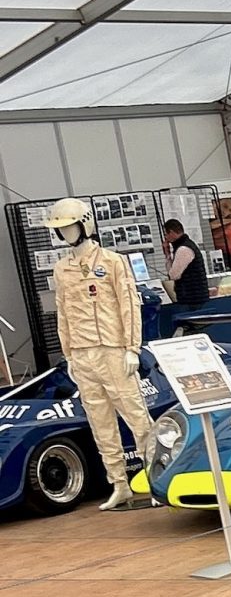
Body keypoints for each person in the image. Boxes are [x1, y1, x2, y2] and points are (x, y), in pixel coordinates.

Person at [45, 197, 155, 512]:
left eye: (70, 226)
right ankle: (119, 484)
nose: (65, 233)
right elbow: (63, 314)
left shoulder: (112, 262)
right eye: (61, 229)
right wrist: (69, 354)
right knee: (100, 423)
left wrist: (132, 348)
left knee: (137, 417)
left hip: (113, 350)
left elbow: (129, 306)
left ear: (85, 224)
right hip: (82, 355)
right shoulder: (62, 269)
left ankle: (155, 479)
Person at [161, 219, 209, 308]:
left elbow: (173, 275)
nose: (166, 238)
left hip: (192, 298)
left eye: (166, 234)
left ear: (171, 232)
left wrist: (167, 254)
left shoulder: (183, 249)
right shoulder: (188, 245)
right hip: (196, 296)